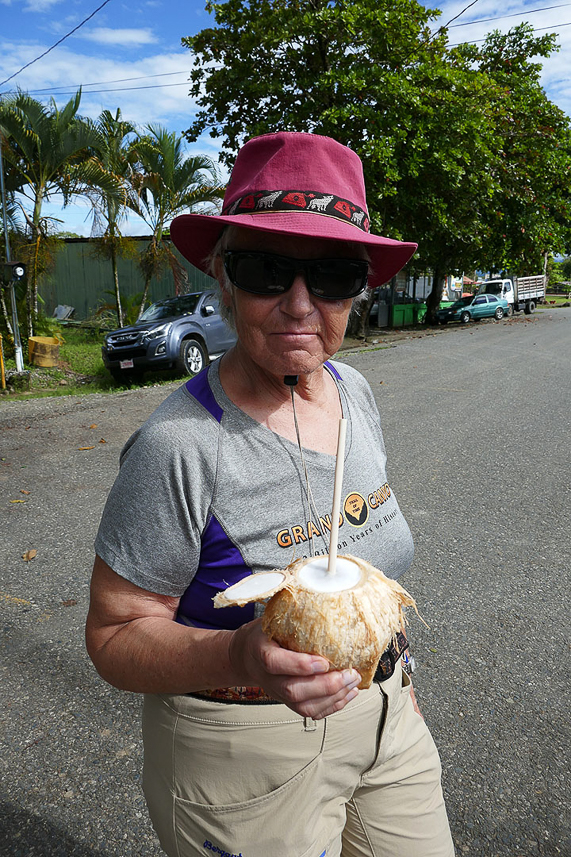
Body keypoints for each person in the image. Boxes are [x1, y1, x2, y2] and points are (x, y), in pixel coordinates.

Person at [86, 131, 455, 857]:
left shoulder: (354, 390)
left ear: (359, 290)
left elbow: (360, 559)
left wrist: (391, 678)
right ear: (222, 279)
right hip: (243, 748)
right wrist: (242, 658)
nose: (298, 304)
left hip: (387, 722)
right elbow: (113, 635)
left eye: (333, 277)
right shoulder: (180, 445)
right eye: (264, 270)